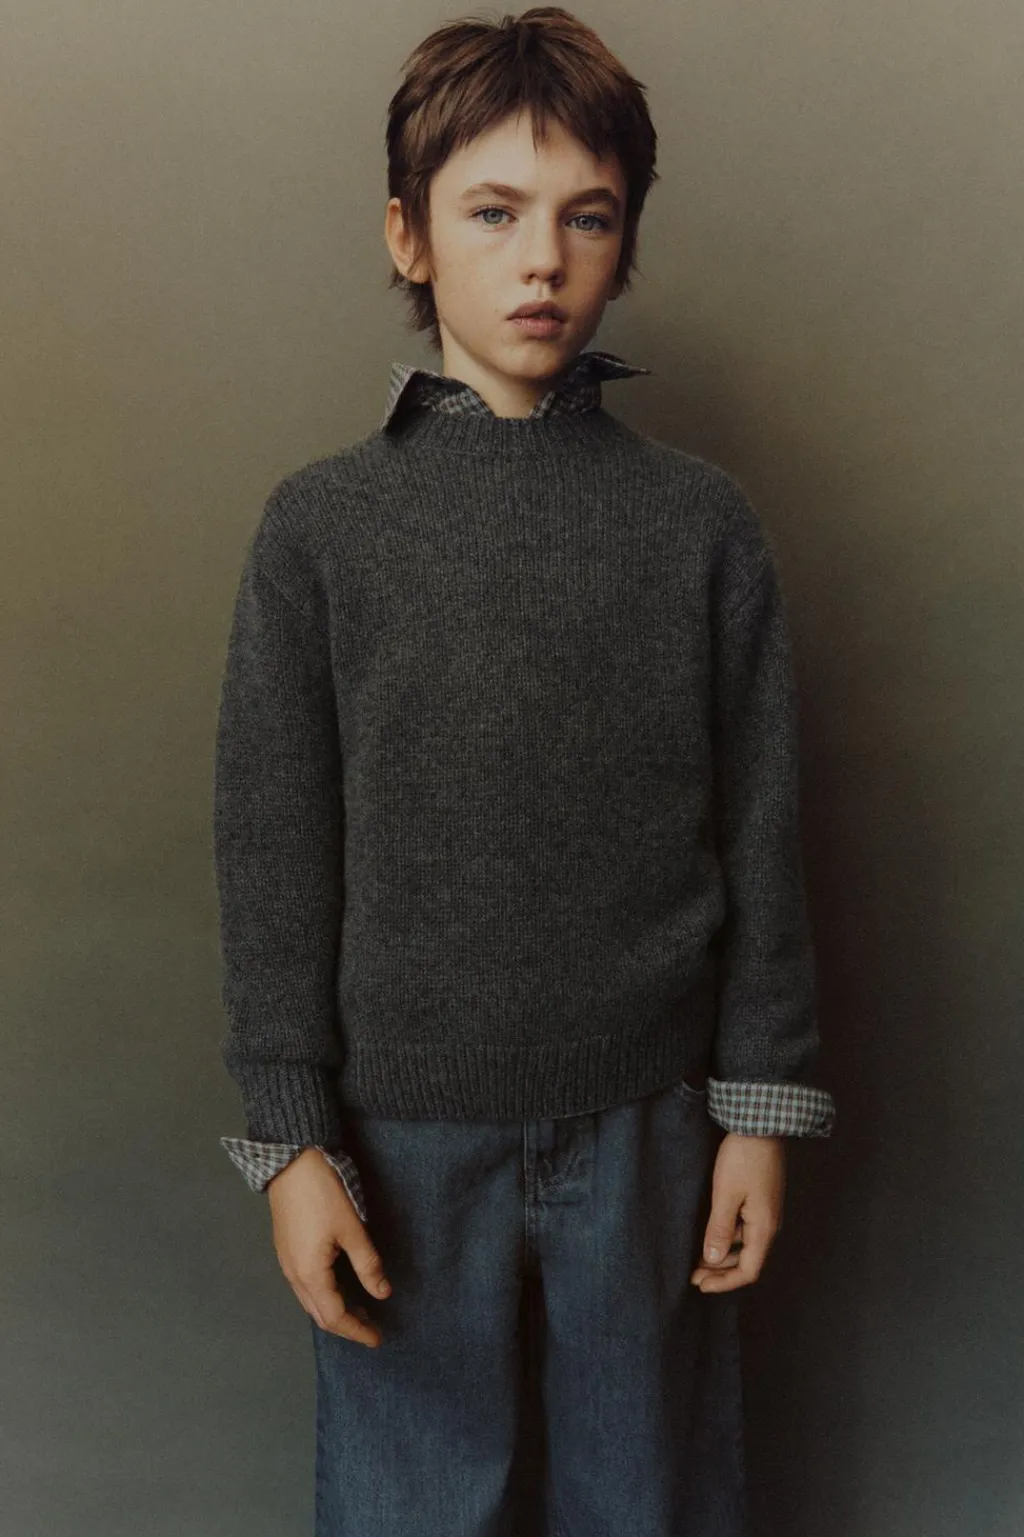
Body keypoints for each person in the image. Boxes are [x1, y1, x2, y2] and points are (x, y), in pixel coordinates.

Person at [212, 9, 836, 1534]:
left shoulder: (699, 527)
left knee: (649, 1501)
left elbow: (762, 834)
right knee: (417, 1504)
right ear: (409, 237)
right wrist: (292, 1144)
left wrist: (758, 1111)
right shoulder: (321, 531)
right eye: (493, 213)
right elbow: (275, 851)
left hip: (649, 1133)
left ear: (626, 243)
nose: (542, 259)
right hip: (401, 1144)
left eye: (587, 218)